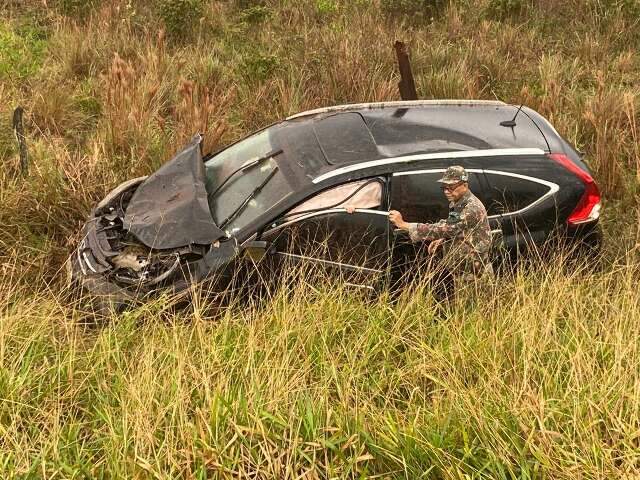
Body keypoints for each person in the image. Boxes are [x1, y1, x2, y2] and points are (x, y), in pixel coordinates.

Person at [388, 165, 494, 300]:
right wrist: (442, 239)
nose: (447, 191)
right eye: (444, 187)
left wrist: (405, 225)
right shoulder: (458, 203)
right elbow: (452, 226)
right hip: (463, 271)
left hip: (474, 275)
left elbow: (444, 229)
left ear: (465, 185)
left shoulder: (471, 208)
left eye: (451, 187)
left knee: (472, 314)